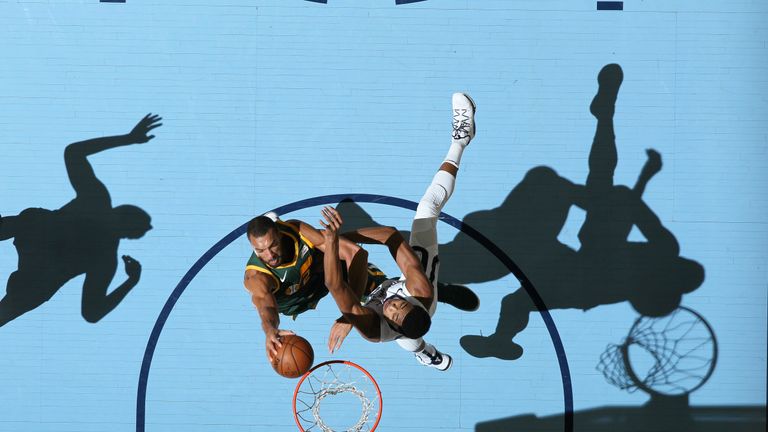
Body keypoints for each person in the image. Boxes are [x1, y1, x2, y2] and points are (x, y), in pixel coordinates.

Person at [318, 92, 476, 371]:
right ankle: (461, 140)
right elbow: (390, 235)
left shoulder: (375, 329)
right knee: (427, 208)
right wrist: (343, 238)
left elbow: (335, 286)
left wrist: (348, 315)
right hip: (420, 279)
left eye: (393, 312)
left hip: (382, 313)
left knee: (409, 341)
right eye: (401, 306)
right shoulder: (418, 289)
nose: (392, 305)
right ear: (412, 303)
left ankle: (426, 354)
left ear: (389, 322)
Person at [0, 114, 160, 327]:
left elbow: (92, 312)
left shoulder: (104, 255)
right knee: (33, 225)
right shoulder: (98, 205)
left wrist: (131, 281)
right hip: (36, 247)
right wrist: (128, 138)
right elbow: (73, 152)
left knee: (30, 288)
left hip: (37, 273)